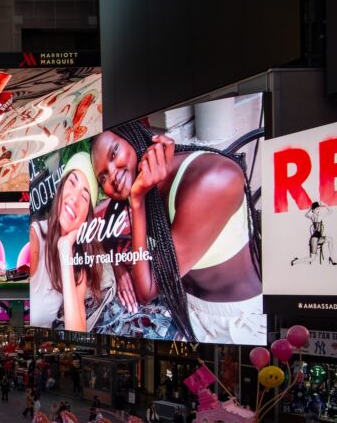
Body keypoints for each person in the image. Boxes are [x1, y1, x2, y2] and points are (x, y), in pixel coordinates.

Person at [90, 123, 264, 344]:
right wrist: (119, 268)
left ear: (135, 138)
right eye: (102, 177)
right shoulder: (146, 184)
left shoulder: (211, 182)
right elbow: (107, 233)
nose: (113, 175)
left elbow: (147, 291)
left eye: (114, 153)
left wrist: (137, 201)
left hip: (235, 322)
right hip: (185, 307)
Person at [29, 151, 113, 330]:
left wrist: (65, 250)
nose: (74, 199)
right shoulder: (33, 241)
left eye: (84, 197)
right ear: (60, 189)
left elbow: (77, 330)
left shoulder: (77, 257)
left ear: (86, 217)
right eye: (72, 183)